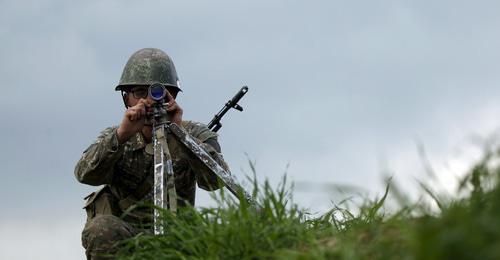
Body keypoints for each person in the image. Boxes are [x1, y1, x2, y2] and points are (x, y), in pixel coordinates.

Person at [75, 48, 228, 259]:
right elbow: (84, 174)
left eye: (158, 93)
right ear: (127, 98)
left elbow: (216, 182)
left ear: (171, 96)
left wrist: (181, 136)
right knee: (101, 228)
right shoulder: (116, 136)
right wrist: (122, 135)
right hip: (129, 236)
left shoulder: (194, 133)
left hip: (182, 235)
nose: (148, 101)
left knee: (235, 228)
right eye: (139, 93)